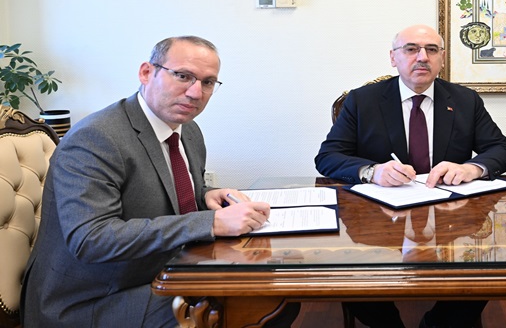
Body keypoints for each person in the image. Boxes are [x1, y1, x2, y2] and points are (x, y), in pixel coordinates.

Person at [21, 36, 298, 327]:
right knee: (256, 303)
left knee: (277, 297)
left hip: (160, 270)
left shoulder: (189, 131)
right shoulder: (96, 138)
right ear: (146, 72)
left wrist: (206, 195)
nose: (195, 92)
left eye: (207, 82)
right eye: (183, 76)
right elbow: (92, 239)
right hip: (93, 298)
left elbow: (161, 189)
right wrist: (211, 223)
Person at [315, 24, 506, 328]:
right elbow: (328, 157)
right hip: (378, 217)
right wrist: (373, 171)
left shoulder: (465, 100)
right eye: (411, 49)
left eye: (431, 50)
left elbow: (501, 150)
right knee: (351, 272)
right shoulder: (362, 100)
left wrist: (470, 168)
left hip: (451, 214)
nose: (422, 57)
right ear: (393, 57)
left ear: (442, 58)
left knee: (485, 271)